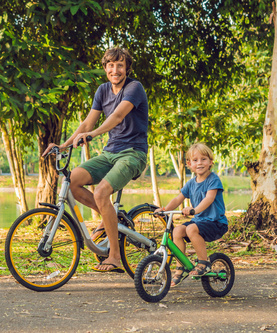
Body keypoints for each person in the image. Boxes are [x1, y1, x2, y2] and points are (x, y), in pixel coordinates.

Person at [42, 47, 148, 273]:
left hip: (133, 153)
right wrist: (64, 144)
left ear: (127, 68)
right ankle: (111, 216)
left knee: (101, 193)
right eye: (110, 65)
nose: (115, 70)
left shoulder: (134, 88)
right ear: (105, 68)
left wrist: (92, 135)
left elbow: (118, 116)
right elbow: (87, 123)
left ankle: (115, 256)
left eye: (120, 65)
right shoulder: (102, 90)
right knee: (73, 181)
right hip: (110, 153)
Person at [154, 143, 228, 287]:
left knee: (191, 229)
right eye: (195, 160)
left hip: (216, 222)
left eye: (203, 159)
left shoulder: (213, 179)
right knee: (177, 231)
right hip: (200, 221)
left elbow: (209, 198)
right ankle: (180, 267)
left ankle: (204, 262)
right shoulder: (190, 183)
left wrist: (194, 210)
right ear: (189, 164)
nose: (199, 163)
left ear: (211, 162)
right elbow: (177, 199)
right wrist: (164, 209)